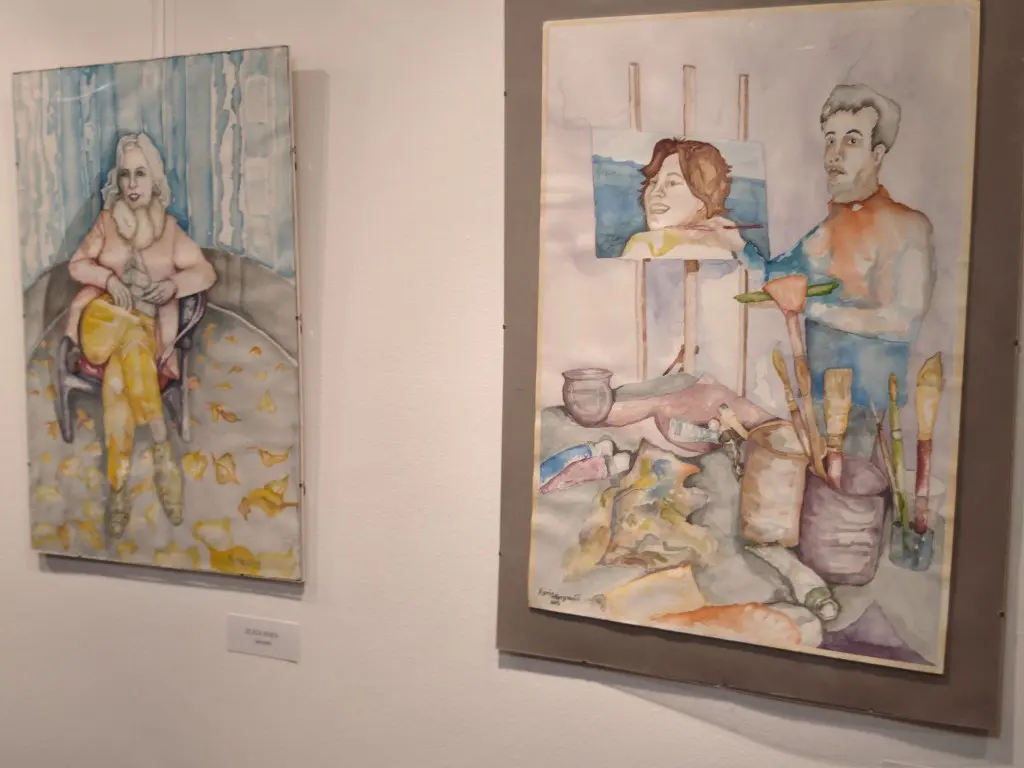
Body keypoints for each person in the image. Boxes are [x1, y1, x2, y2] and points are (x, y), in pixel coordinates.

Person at [761, 84, 935, 454]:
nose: (834, 154)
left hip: (871, 415)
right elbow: (772, 278)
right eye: (830, 140)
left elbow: (902, 321)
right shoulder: (826, 230)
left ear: (877, 154)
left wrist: (810, 306)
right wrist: (733, 242)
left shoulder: (908, 227)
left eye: (851, 141)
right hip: (817, 407)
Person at [63, 132, 217, 537]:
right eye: (125, 175)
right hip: (100, 322)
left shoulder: (169, 231)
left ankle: (118, 490)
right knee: (126, 333)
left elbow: (205, 272)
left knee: (120, 379)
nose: (132, 184)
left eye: (141, 174)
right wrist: (108, 279)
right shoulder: (107, 221)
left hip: (143, 336)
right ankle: (163, 446)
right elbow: (77, 265)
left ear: (155, 180)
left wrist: (172, 286)